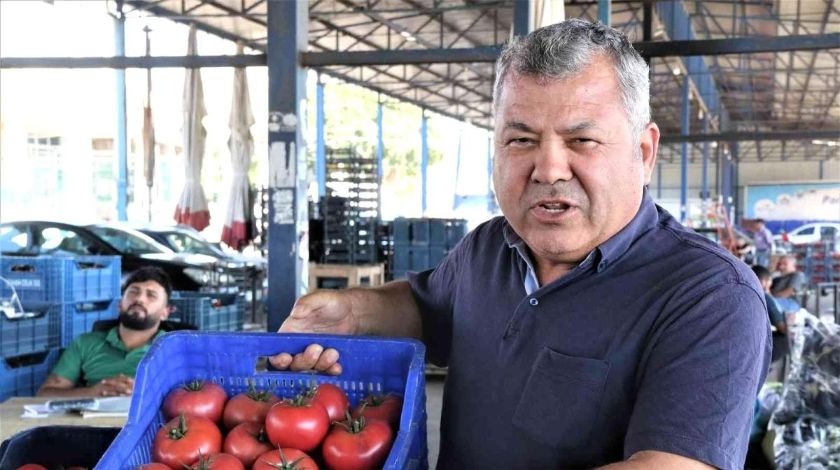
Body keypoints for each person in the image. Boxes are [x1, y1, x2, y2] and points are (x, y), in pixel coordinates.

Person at [271, 20, 770, 469]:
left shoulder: (710, 296)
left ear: (643, 153)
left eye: (582, 141)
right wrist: (352, 314)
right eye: (521, 140)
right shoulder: (490, 246)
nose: (548, 169)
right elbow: (429, 309)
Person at [37, 267, 173, 397]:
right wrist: (93, 393)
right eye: (134, 292)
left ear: (165, 312)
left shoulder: (176, 350)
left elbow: (188, 398)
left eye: (151, 295)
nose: (139, 299)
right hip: (89, 419)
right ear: (120, 304)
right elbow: (44, 394)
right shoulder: (85, 343)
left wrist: (144, 393)